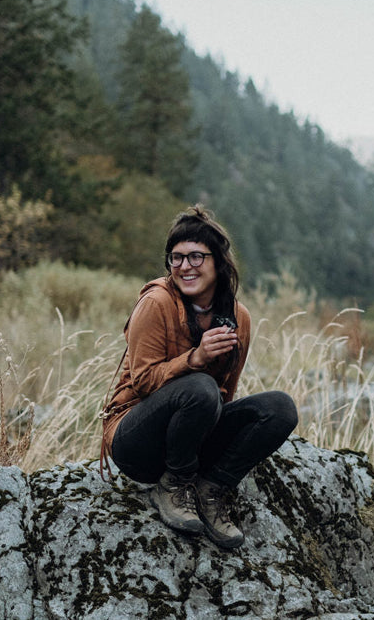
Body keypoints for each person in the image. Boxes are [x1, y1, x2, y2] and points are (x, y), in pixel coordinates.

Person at [99, 206, 298, 549]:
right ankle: (173, 486)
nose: (184, 266)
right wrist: (195, 358)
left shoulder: (238, 318)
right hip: (135, 441)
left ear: (218, 262)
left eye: (195, 256)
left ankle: (210, 489)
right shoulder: (156, 303)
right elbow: (143, 382)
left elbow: (226, 395)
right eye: (176, 258)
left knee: (280, 408)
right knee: (201, 388)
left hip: (188, 439)